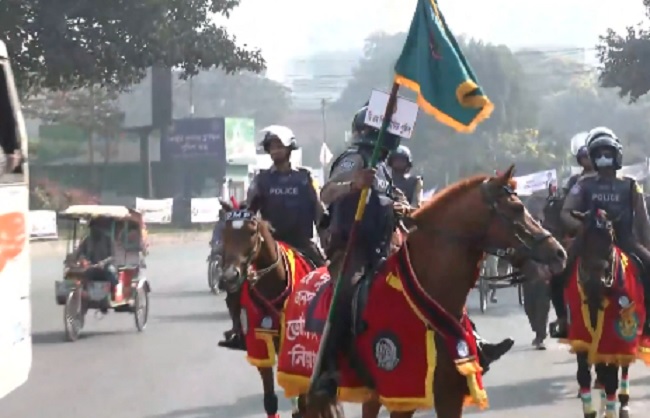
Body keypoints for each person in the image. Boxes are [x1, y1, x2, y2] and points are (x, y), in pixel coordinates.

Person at [309, 105, 514, 399]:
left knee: (436, 283)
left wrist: (402, 206)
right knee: (345, 293)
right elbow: (327, 192)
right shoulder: (354, 159)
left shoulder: (383, 168)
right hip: (353, 249)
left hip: (387, 246)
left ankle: (473, 344)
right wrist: (354, 183)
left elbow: (392, 199)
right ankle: (328, 369)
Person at [218, 125, 326, 350]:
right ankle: (238, 329)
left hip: (302, 243)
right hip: (270, 244)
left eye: (279, 146)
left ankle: (328, 329)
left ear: (289, 148)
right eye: (271, 147)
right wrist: (237, 213)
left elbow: (319, 209)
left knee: (327, 280)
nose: (275, 150)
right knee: (233, 281)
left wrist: (326, 234)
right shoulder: (262, 180)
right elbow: (249, 209)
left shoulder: (305, 177)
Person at [550, 127, 650, 338]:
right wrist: (582, 226)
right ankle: (563, 319)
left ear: (617, 155)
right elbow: (566, 212)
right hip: (588, 239)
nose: (604, 158)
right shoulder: (582, 185)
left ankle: (647, 320)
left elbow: (643, 220)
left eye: (608, 153)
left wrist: (647, 245)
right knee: (558, 271)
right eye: (599, 154)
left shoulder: (631, 186)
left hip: (625, 240)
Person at [72, 218, 118, 289]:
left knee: (112, 274)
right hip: (91, 267)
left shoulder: (107, 239)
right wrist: (83, 260)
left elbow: (113, 256)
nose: (94, 230)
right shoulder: (87, 240)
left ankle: (113, 291)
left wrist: (103, 262)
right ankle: (84, 291)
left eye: (96, 228)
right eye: (92, 228)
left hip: (105, 266)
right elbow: (79, 253)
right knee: (83, 277)